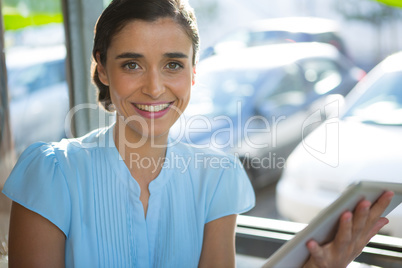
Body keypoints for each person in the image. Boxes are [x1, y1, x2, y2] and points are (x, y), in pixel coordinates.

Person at [2, 0, 394, 267]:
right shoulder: (51, 173)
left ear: (192, 72)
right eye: (132, 65)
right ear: (102, 70)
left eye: (172, 64)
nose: (155, 88)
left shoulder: (216, 175)